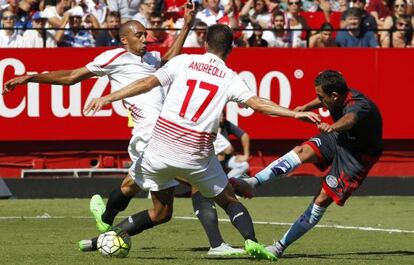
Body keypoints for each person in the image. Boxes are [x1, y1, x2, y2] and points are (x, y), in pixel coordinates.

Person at [4, 3, 245, 257]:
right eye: (139, 35)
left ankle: (105, 221)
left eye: (146, 34)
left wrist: (185, 25)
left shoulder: (151, 58)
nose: (146, 39)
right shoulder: (113, 57)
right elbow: (72, 76)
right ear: (124, 39)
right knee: (197, 180)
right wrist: (31, 77)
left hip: (163, 132)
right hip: (149, 133)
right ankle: (218, 245)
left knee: (153, 205)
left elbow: (168, 60)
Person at [81, 23, 320, 261]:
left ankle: (103, 232)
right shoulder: (229, 77)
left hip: (159, 149)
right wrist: (294, 114)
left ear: (205, 44)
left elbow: (147, 83)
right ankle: (250, 241)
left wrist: (109, 96)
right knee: (228, 200)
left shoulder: (182, 61)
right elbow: (258, 103)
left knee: (148, 202)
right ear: (231, 49)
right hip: (195, 154)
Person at [230, 70, 383, 258]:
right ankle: (254, 182)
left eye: (321, 96)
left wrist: (331, 127)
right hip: (340, 138)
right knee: (301, 150)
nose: (319, 99)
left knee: (322, 198)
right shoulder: (337, 96)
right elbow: (324, 103)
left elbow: (350, 120)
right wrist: (306, 106)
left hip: (357, 156)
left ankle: (279, 246)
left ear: (334, 96)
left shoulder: (360, 106)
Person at [216, 111, 250, 179]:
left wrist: (246, 155)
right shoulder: (208, 127)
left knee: (244, 165)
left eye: (222, 115)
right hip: (211, 161)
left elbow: (244, 135)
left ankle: (227, 181)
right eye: (219, 116)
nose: (221, 118)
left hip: (226, 159)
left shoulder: (225, 124)